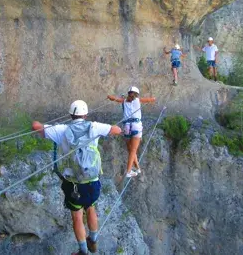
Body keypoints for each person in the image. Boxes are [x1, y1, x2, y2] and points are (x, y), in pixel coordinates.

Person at [32, 100, 121, 255]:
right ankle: (92, 240)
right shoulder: (94, 127)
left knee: (77, 217)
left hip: (73, 184)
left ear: (70, 114)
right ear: (85, 115)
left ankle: (83, 251)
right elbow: (116, 130)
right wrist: (109, 128)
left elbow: (36, 127)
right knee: (91, 207)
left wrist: (36, 122)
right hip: (92, 181)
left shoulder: (61, 130)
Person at [107, 86, 156, 178]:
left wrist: (110, 97)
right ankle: (128, 171)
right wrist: (154, 98)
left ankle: (137, 168)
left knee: (131, 150)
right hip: (136, 126)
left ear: (129, 93)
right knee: (133, 150)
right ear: (137, 94)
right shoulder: (137, 100)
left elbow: (115, 99)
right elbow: (151, 99)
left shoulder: (124, 101)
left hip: (127, 127)